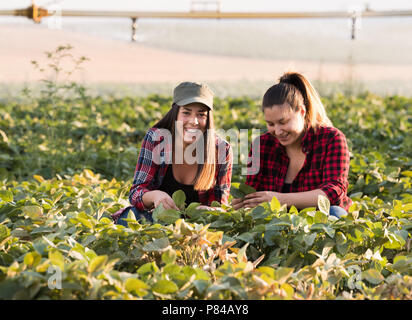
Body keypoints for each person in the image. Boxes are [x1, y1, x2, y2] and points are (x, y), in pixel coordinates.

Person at [232, 72, 352, 218]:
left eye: (283, 122)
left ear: (302, 111)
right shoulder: (261, 145)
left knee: (335, 213)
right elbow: (252, 192)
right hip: (276, 222)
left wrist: (279, 199)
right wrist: (243, 202)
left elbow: (334, 193)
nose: (277, 131)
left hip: (319, 220)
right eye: (270, 124)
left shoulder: (331, 138)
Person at [112, 82, 233, 226]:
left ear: (208, 119)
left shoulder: (221, 149)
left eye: (201, 115)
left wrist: (209, 211)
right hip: (155, 222)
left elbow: (220, 207)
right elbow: (136, 193)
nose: (194, 121)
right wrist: (156, 196)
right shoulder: (156, 139)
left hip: (197, 228)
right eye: (186, 112)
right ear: (175, 113)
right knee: (131, 217)